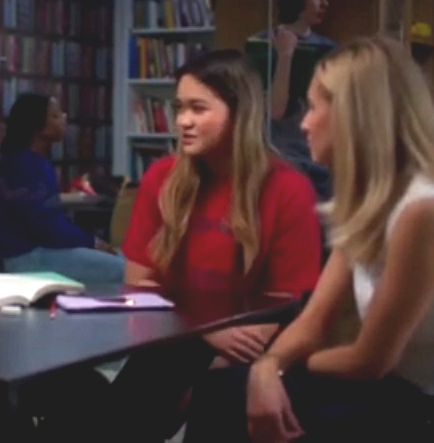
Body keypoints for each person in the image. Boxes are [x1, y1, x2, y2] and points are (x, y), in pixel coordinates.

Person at [189, 36, 434, 442]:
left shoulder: (426, 210)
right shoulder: (372, 200)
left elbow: (370, 361)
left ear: (353, 117)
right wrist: (267, 368)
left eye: (314, 107)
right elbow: (314, 321)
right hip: (407, 390)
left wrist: (279, 369)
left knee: (270, 420)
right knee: (222, 393)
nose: (303, 123)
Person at [100, 49, 323, 441]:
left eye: (199, 108)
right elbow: (140, 284)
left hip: (257, 343)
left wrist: (218, 359)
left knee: (219, 399)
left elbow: (289, 303)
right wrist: (204, 330)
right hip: (176, 334)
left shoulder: (288, 188)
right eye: (179, 108)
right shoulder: (162, 179)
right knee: (114, 416)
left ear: (239, 113)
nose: (183, 121)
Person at [0, 93, 124, 283]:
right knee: (124, 270)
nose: (64, 118)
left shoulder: (30, 161)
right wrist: (91, 242)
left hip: (37, 251)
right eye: (55, 115)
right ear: (37, 127)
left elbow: (51, 220)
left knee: (125, 260)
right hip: (27, 259)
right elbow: (46, 228)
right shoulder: (26, 166)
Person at [248, 0, 335, 201]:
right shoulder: (262, 44)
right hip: (281, 153)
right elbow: (276, 110)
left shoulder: (328, 48)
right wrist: (285, 56)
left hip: (318, 157)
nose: (324, 4)